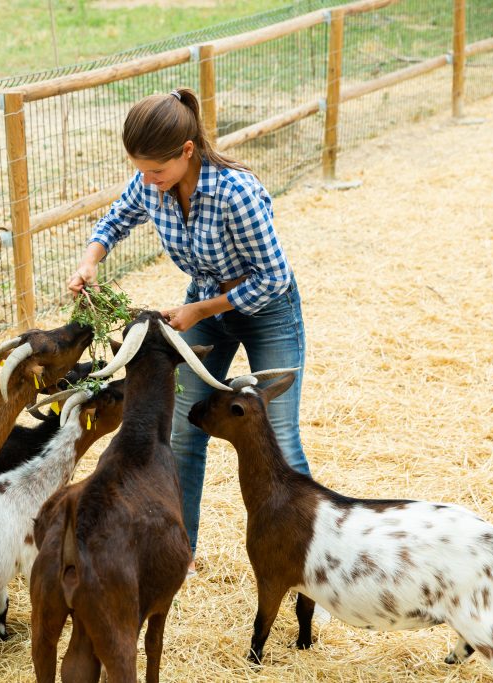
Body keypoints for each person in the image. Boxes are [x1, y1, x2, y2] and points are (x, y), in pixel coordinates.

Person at [67, 87, 310, 572]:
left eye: (156, 170)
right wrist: (90, 259)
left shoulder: (235, 192)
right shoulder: (151, 182)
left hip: (267, 309)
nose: (147, 180)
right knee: (184, 430)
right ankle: (179, 553)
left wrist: (200, 310)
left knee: (278, 434)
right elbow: (115, 221)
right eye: (140, 169)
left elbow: (273, 277)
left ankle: (303, 560)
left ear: (187, 151)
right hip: (204, 305)